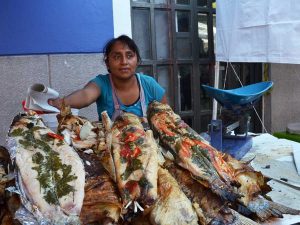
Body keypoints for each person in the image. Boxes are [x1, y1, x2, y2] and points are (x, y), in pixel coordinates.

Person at [48, 35, 167, 121]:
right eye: (117, 57)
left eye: (129, 56)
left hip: (149, 152)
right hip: (110, 152)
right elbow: (86, 95)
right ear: (107, 63)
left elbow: (166, 118)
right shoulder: (102, 83)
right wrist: (61, 102)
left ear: (137, 61)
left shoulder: (149, 85)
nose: (124, 62)